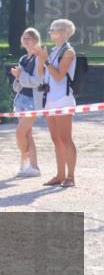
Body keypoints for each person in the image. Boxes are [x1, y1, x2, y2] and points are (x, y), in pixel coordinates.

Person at [37, 19, 79, 187]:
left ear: (64, 32)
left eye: (53, 29)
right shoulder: (54, 50)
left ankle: (71, 176)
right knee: (56, 138)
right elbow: (42, 74)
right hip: (50, 100)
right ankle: (60, 175)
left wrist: (46, 61)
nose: (50, 32)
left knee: (65, 138)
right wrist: (41, 59)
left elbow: (59, 76)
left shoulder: (68, 51)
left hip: (63, 99)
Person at [9, 28, 44, 178]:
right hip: (21, 99)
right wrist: (17, 76)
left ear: (36, 40)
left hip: (33, 101)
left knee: (20, 132)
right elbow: (18, 86)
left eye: (29, 38)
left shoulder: (39, 58)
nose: (26, 40)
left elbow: (38, 81)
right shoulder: (23, 59)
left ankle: (25, 161)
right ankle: (33, 167)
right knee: (27, 134)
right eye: (24, 38)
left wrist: (20, 75)